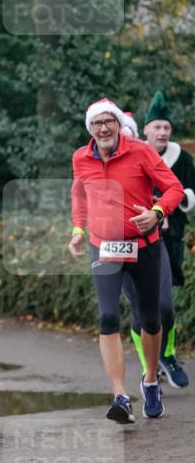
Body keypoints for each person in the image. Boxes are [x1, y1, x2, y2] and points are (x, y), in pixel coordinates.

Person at [69, 98, 184, 423]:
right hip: (103, 248)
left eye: (109, 121)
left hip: (143, 247)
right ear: (90, 128)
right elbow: (79, 194)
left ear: (119, 125)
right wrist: (78, 230)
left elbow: (173, 188)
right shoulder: (81, 157)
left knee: (150, 318)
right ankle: (120, 396)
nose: (103, 128)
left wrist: (157, 211)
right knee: (107, 318)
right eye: (97, 123)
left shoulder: (141, 152)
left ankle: (149, 380)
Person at [123, 91, 194, 389]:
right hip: (133, 241)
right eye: (158, 127)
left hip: (169, 237)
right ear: (147, 130)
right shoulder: (132, 155)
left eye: (167, 127)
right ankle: (147, 369)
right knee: (139, 307)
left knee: (165, 305)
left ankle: (166, 354)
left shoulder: (183, 159)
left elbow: (188, 193)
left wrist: (162, 207)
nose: (163, 132)